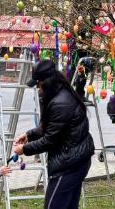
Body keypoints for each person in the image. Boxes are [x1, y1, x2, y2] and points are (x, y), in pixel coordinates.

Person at [13, 60, 95, 209]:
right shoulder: (59, 93)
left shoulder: (61, 103)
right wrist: (29, 135)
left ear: (47, 81)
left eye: (38, 83)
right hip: (75, 160)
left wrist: (24, 149)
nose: (37, 87)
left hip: (69, 164)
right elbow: (53, 127)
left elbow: (50, 140)